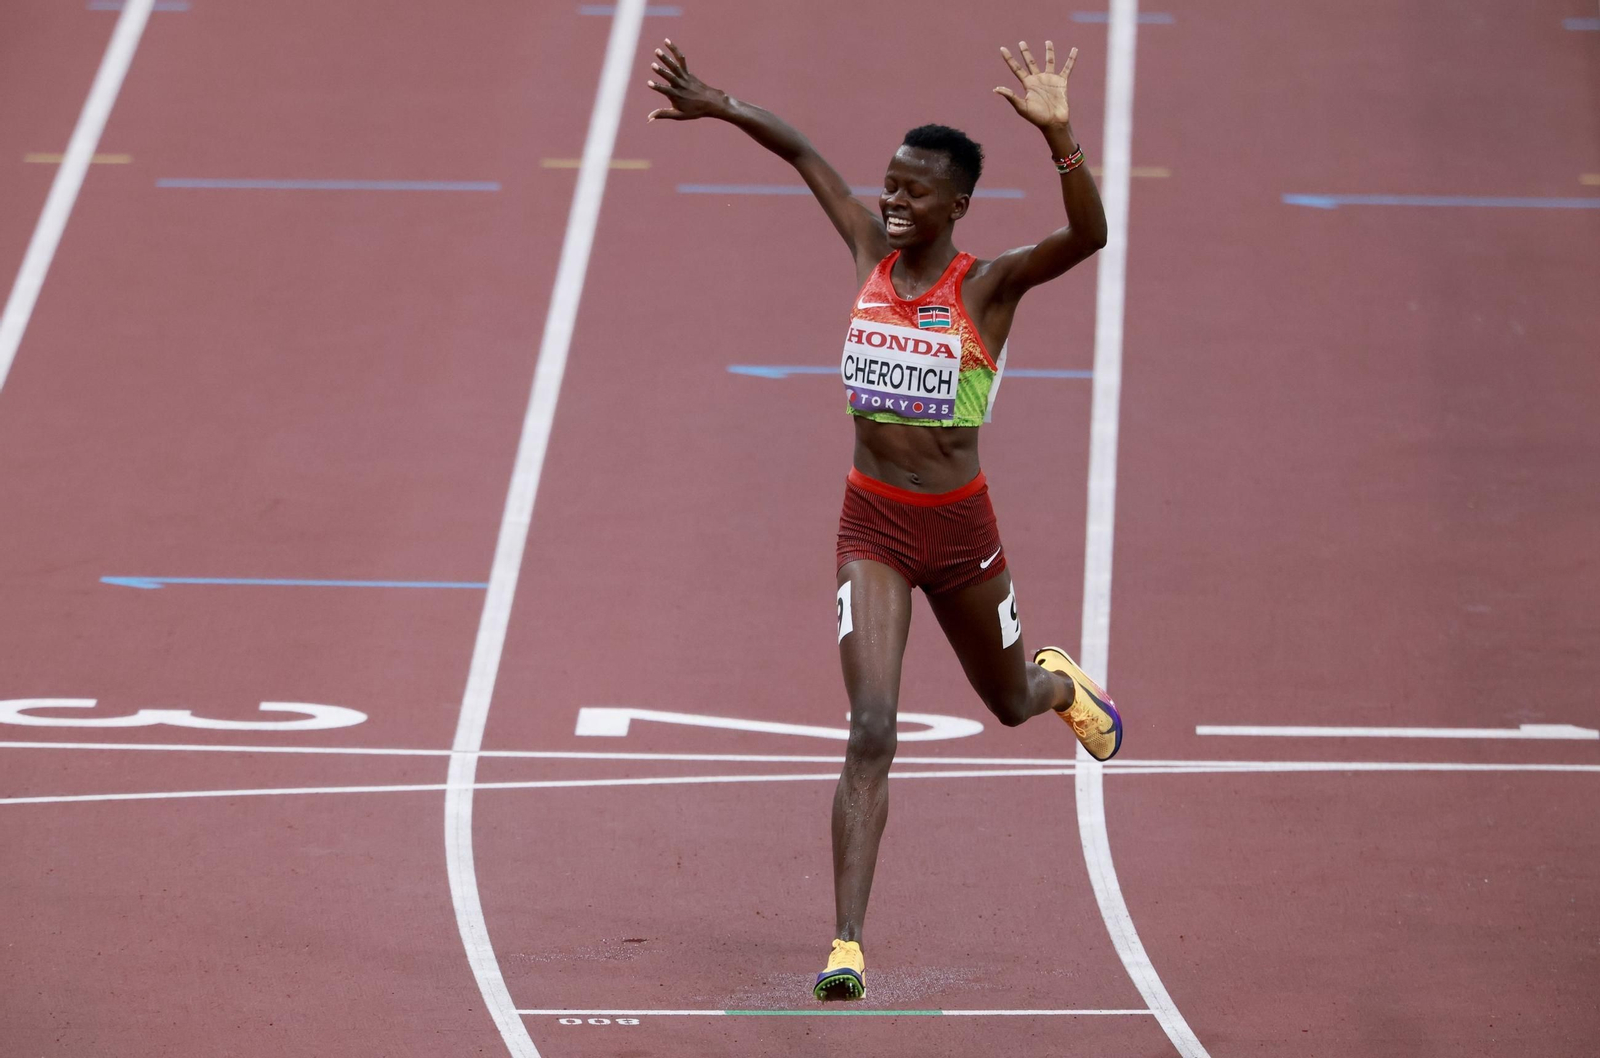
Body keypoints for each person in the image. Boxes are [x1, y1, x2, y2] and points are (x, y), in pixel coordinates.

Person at [647, 36, 1123, 1003]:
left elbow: (1089, 239)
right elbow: (803, 155)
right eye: (890, 184)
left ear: (957, 206)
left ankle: (1055, 683)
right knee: (871, 726)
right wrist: (719, 103)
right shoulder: (869, 250)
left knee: (1006, 703)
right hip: (872, 528)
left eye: (913, 190)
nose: (892, 199)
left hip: (963, 535)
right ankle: (847, 944)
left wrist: (1062, 138)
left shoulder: (987, 287)